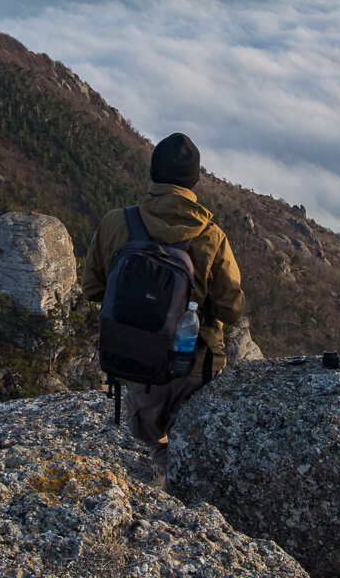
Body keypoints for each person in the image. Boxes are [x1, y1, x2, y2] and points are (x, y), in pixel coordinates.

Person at [82, 133, 245, 470]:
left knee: (160, 441)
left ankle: (160, 459)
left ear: (153, 174)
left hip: (136, 364)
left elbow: (93, 289)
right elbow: (231, 310)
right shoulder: (211, 236)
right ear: (195, 180)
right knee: (189, 446)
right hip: (193, 370)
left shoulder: (116, 222)